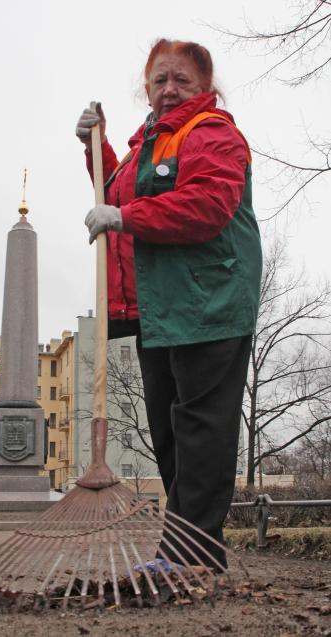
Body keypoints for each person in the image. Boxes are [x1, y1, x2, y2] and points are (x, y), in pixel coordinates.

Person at [76, 38, 262, 570]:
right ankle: (197, 552)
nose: (169, 89)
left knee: (201, 424)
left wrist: (126, 218)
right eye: (160, 80)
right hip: (159, 306)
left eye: (182, 79)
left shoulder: (211, 133)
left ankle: (188, 555)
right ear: (146, 88)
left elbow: (207, 203)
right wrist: (97, 144)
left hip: (210, 298)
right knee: (169, 427)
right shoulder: (147, 146)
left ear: (205, 88)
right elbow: (117, 194)